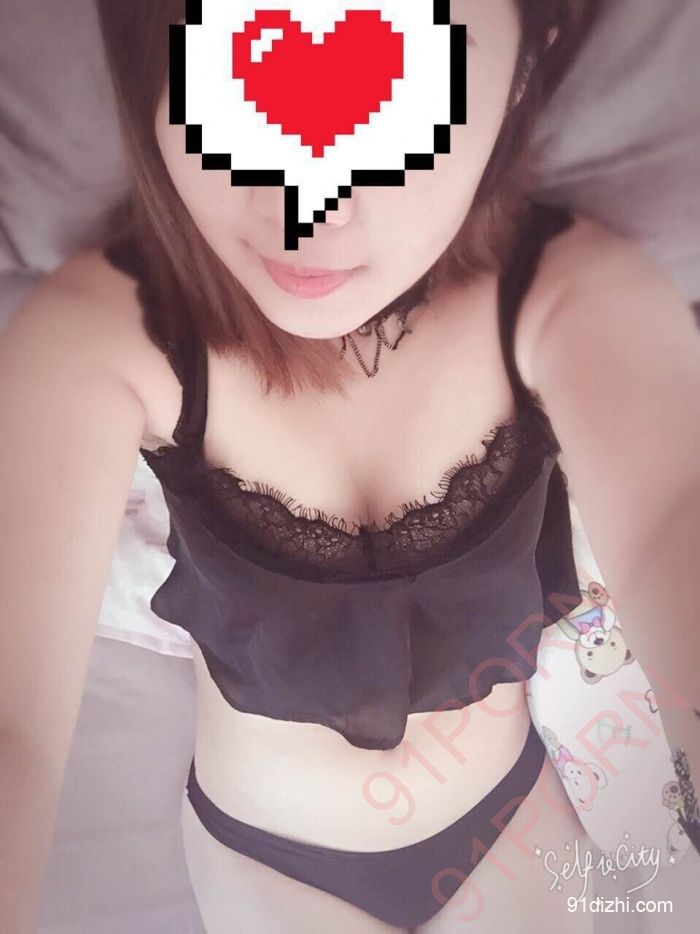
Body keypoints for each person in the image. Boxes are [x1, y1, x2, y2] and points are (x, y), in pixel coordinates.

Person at [2, 2, 698, 932]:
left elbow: (672, 517)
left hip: (510, 820)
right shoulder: (104, 332)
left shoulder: (569, 295)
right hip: (273, 861)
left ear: (527, 63)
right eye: (236, 81)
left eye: (401, 93)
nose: (309, 205)